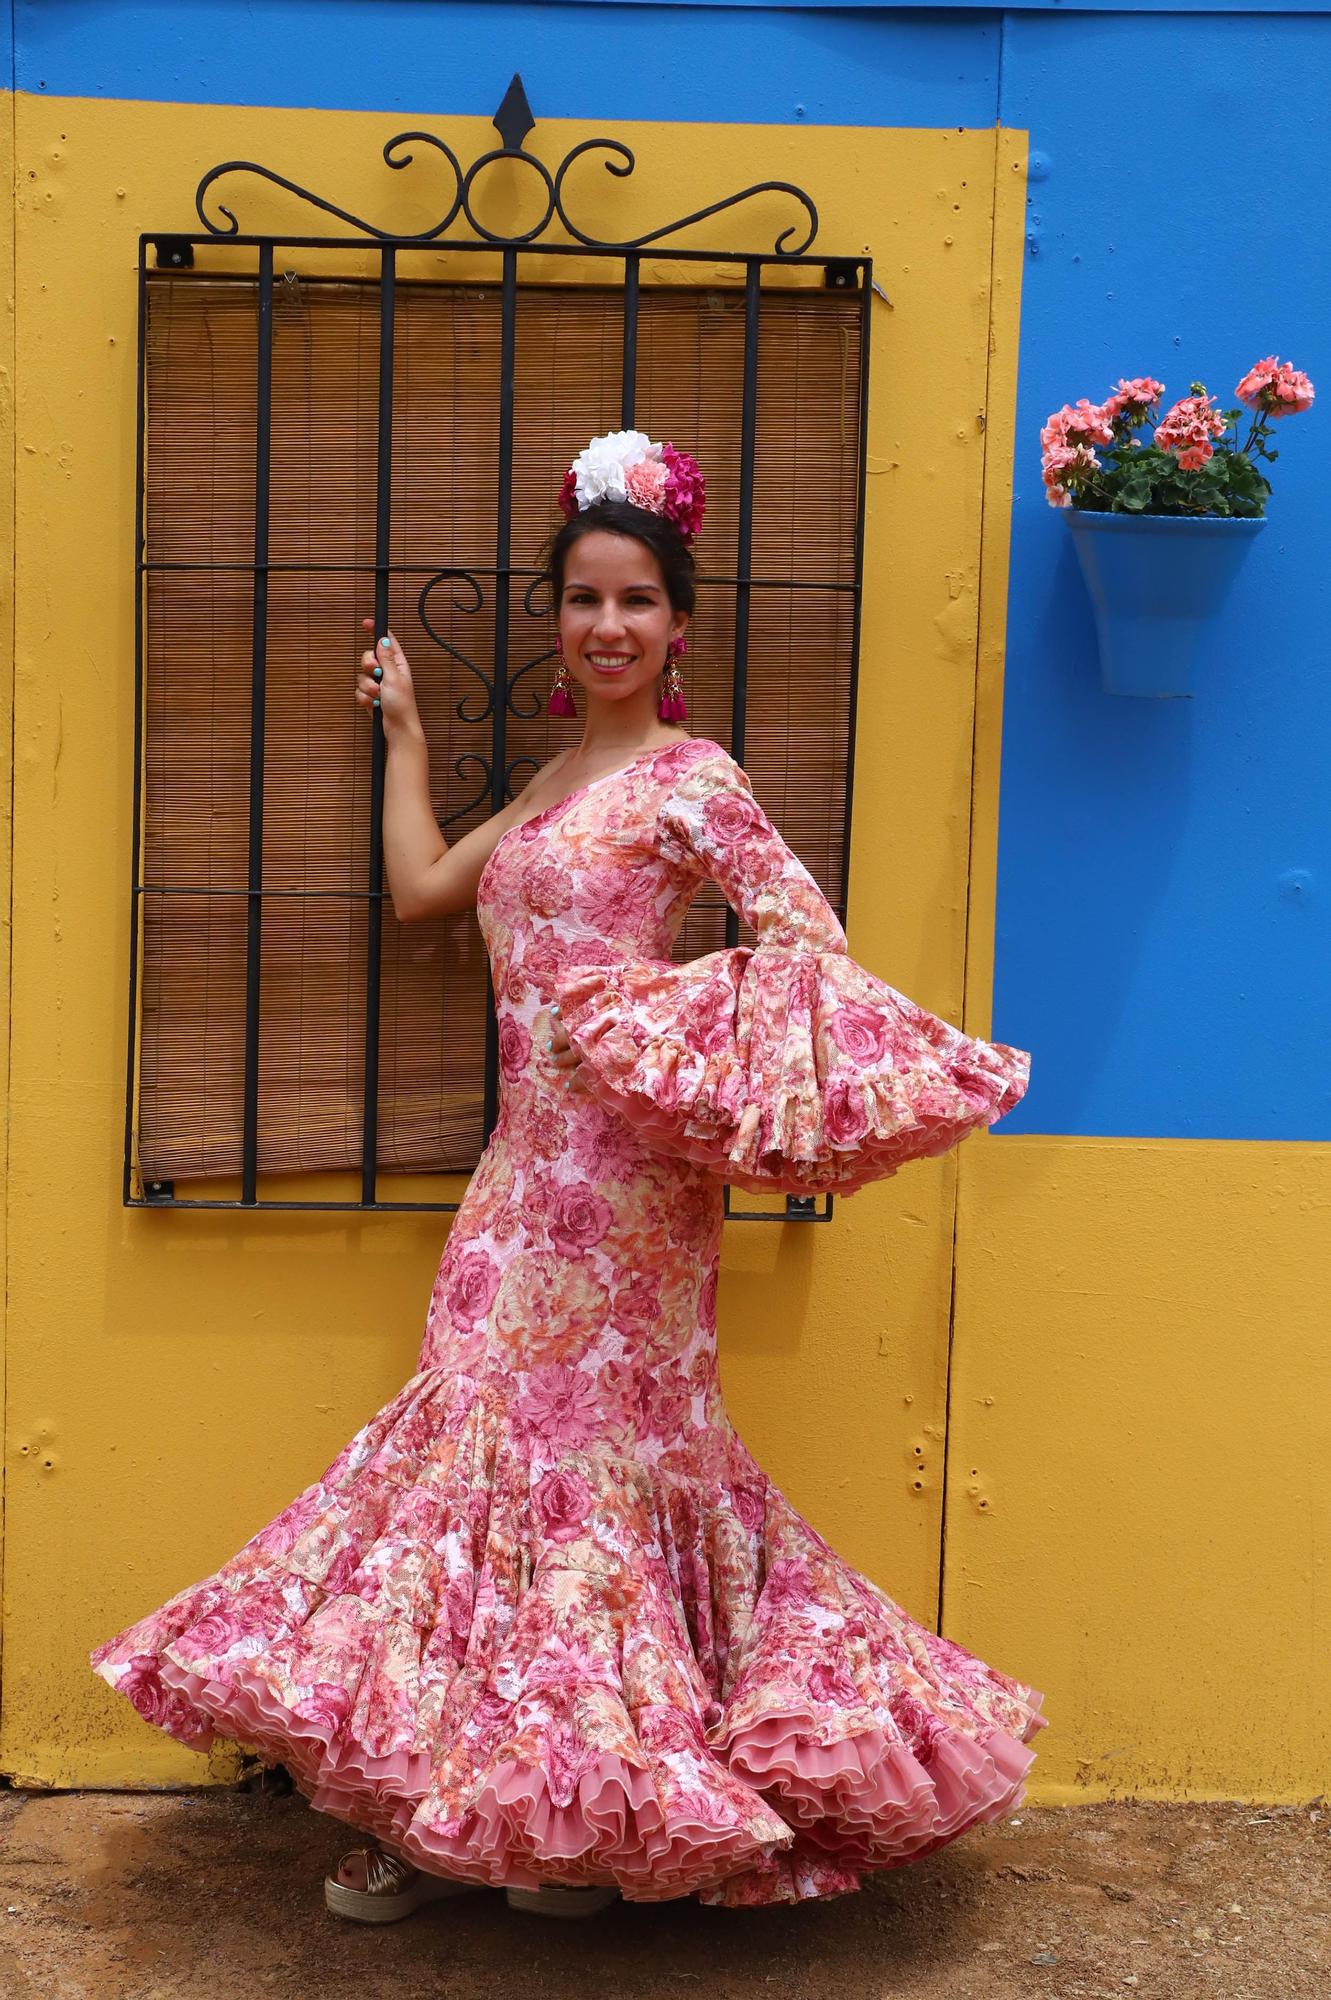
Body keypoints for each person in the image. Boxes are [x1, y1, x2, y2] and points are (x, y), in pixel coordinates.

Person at [91, 430, 1045, 1924]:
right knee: (470, 1470)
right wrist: (405, 737)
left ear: (678, 625)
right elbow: (423, 894)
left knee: (600, 1488)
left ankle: (592, 1813)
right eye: (584, 600)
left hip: (634, 1202)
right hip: (513, 1189)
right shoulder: (552, 777)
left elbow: (811, 948)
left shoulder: (693, 778)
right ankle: (470, 1814)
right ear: (558, 616)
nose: (608, 626)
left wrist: (648, 1023)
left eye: (637, 602)